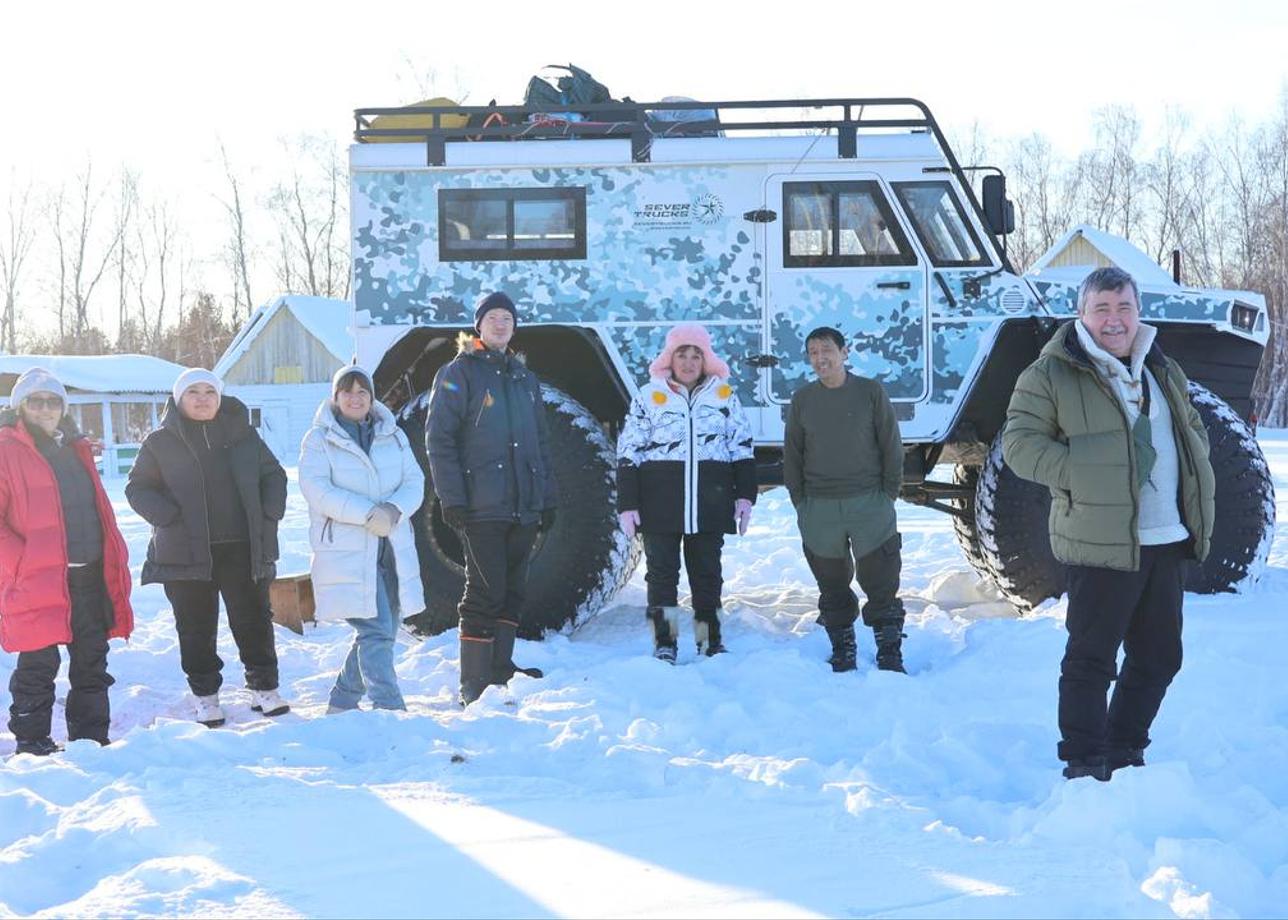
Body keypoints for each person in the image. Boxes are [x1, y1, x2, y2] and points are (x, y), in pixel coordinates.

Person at [1003, 266, 1214, 781]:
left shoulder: (1162, 368)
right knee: (1091, 659)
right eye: (1102, 309)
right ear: (1082, 314)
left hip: (1165, 537)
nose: (1114, 320)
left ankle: (1124, 750)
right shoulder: (1050, 374)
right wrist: (1083, 474)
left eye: (1124, 308)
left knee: (1160, 657)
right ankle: (1083, 760)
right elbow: (1019, 446)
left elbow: (1191, 431)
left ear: (1138, 313)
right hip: (1099, 541)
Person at [126, 368, 289, 726]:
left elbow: (274, 475)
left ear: (219, 397)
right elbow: (137, 488)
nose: (202, 398)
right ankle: (205, 696)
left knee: (254, 621)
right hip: (185, 553)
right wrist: (168, 517)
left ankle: (264, 688)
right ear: (179, 399)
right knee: (196, 626)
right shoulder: (160, 442)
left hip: (243, 547)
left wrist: (269, 513)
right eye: (193, 392)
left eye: (209, 392)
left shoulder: (244, 435)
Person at [426, 292, 557, 705]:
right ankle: (473, 680)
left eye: (508, 318)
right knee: (483, 590)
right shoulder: (457, 373)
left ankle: (501, 667)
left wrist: (546, 498)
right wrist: (452, 498)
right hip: (481, 505)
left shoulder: (524, 378)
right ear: (478, 325)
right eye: (493, 317)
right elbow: (439, 439)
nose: (501, 324)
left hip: (523, 504)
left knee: (513, 589)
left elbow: (540, 443)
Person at [0, 368, 134, 755]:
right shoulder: (7, 449)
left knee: (92, 662)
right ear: (20, 407)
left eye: (53, 401)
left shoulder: (75, 449)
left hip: (88, 575)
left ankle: (90, 740)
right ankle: (32, 741)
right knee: (38, 664)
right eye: (36, 401)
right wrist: (20, 563)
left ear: (63, 408)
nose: (45, 408)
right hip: (37, 578)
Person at [616, 323, 756, 662]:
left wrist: (744, 496)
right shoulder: (649, 397)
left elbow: (741, 447)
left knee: (707, 575)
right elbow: (628, 451)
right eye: (683, 354)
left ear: (706, 360)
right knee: (662, 576)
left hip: (710, 503)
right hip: (660, 504)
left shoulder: (724, 396)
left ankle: (710, 640)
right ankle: (664, 642)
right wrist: (628, 503)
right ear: (670, 358)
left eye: (697, 355)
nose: (690, 362)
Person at [299, 366, 425, 712]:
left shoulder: (393, 434)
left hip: (391, 547)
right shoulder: (319, 439)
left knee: (381, 629)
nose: (355, 399)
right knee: (378, 628)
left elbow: (415, 481)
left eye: (362, 393)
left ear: (372, 398)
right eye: (347, 392)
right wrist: (367, 513)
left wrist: (394, 510)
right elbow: (317, 489)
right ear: (335, 397)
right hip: (347, 548)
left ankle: (342, 700)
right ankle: (389, 708)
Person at [784, 327, 907, 674]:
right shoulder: (803, 399)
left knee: (881, 580)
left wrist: (887, 495)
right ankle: (843, 648)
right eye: (812, 352)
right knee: (832, 585)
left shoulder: (870, 392)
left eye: (826, 350)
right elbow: (793, 455)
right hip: (819, 508)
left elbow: (890, 446)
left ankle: (890, 651)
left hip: (869, 502)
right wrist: (802, 503)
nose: (820, 358)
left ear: (844, 352)